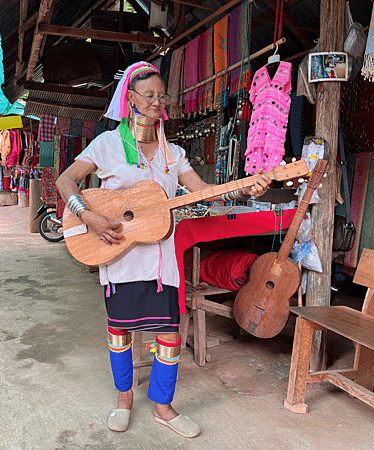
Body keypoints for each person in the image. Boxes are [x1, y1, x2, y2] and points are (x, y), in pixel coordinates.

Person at [56, 61, 270, 438]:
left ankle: (163, 408)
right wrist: (86, 215)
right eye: (149, 95)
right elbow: (66, 180)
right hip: (120, 260)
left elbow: (203, 192)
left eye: (162, 95)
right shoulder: (107, 145)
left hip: (162, 266)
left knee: (169, 337)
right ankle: (123, 401)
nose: (157, 101)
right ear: (130, 100)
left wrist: (242, 188)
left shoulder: (174, 154)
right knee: (120, 334)